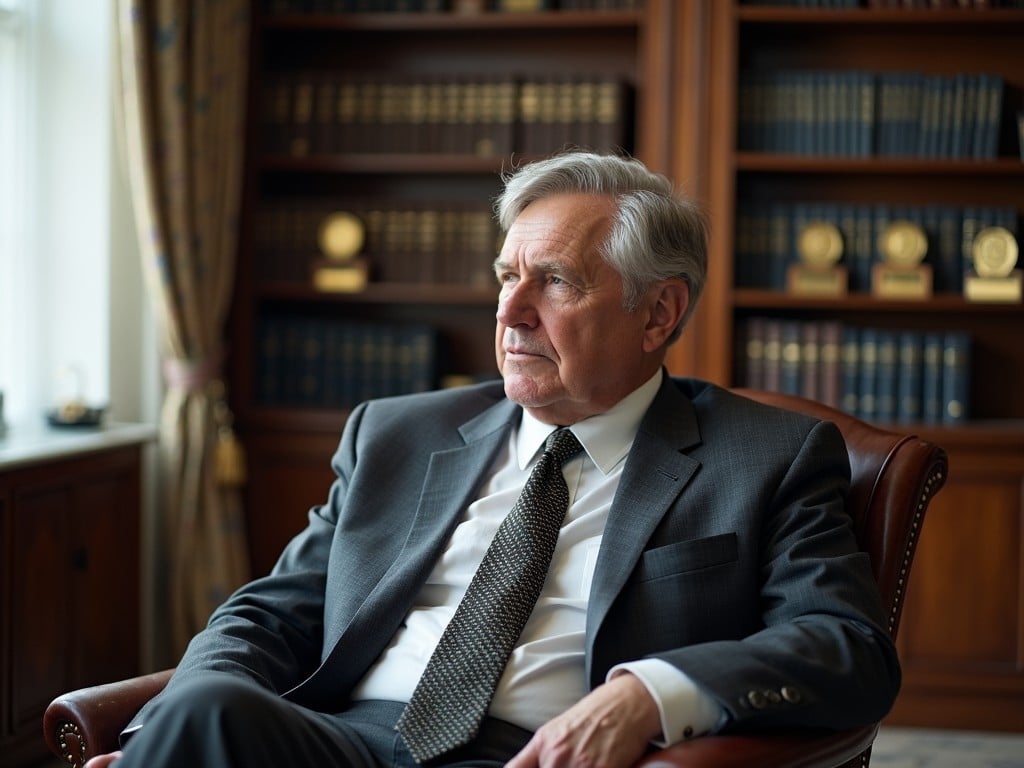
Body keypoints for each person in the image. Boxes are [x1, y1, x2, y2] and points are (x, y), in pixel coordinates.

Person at [86, 151, 899, 768]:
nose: (509, 311)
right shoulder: (396, 433)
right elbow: (269, 614)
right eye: (508, 275)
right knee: (208, 711)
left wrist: (648, 695)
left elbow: (845, 643)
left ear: (658, 313)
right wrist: (165, 733)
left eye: (553, 282)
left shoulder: (767, 456)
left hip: (527, 753)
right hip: (341, 739)